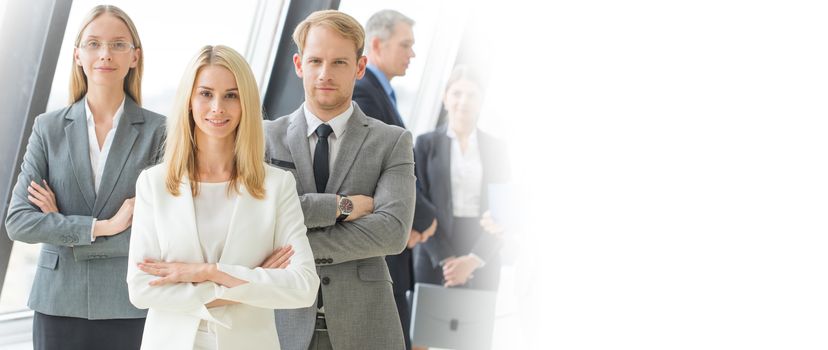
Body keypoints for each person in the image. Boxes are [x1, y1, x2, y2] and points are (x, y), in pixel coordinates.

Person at [126, 45, 319, 350]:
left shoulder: (277, 185)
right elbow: (141, 290)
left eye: (231, 95)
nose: (217, 107)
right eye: (206, 94)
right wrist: (252, 281)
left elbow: (304, 287)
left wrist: (209, 272)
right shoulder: (154, 184)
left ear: (246, 104)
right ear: (189, 101)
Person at [4, 5, 164, 349]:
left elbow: (159, 233)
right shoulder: (47, 128)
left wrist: (61, 225)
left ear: (134, 56)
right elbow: (18, 222)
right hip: (57, 304)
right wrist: (103, 227)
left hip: (129, 304)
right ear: (78, 55)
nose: (105, 53)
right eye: (93, 43)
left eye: (118, 44)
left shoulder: (160, 131)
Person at [263, 10, 416, 350]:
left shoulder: (392, 141)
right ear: (299, 64)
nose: (325, 74)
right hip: (277, 327)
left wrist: (291, 246)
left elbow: (391, 232)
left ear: (360, 68)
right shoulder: (263, 138)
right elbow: (258, 220)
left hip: (365, 327)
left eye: (339, 63)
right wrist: (343, 207)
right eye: (315, 61)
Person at [352, 9, 437, 349]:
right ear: (377, 44)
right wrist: (424, 218)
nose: (413, 54)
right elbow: (383, 169)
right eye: (406, 45)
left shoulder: (383, 94)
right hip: (383, 249)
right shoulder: (365, 94)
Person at [413, 66, 509, 294]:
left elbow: (504, 209)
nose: (463, 101)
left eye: (472, 95)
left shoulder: (496, 149)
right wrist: (446, 259)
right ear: (445, 98)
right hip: (434, 250)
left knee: (474, 327)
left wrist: (474, 259)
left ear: (481, 101)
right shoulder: (425, 144)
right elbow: (416, 200)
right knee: (429, 327)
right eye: (457, 94)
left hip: (482, 251)